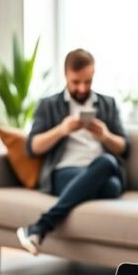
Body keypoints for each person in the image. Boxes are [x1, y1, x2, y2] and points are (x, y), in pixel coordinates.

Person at [16, 48, 129, 255]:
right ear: (66, 74)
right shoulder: (49, 105)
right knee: (109, 179)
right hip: (64, 172)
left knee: (110, 173)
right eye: (76, 82)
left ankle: (39, 227)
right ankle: (41, 225)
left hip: (99, 167)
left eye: (88, 81)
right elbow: (32, 147)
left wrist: (105, 135)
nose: (82, 88)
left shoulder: (108, 104)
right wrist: (62, 130)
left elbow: (124, 147)